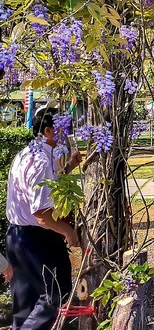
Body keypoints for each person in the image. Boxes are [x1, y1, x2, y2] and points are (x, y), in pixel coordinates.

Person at [6, 109, 82, 329]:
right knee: (56, 295)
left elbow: (47, 188)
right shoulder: (41, 161)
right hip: (38, 238)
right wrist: (68, 232)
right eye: (62, 129)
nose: (66, 135)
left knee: (25, 302)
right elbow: (41, 214)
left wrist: (68, 169)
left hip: (16, 235)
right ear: (48, 131)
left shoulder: (25, 153)